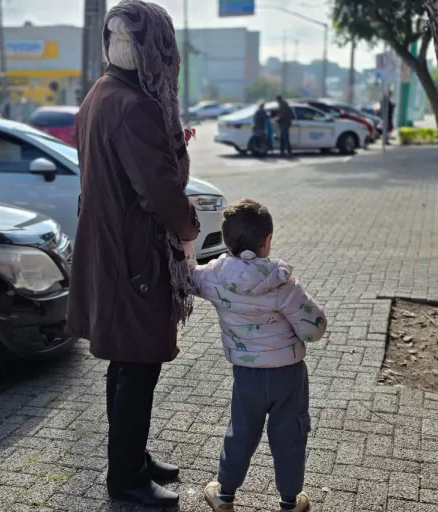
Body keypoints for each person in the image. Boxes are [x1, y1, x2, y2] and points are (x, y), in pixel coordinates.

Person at [67, 0, 200, 508]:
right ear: (157, 50)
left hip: (109, 249)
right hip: (134, 259)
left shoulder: (102, 93)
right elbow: (160, 192)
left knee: (124, 365)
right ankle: (124, 476)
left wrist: (168, 145)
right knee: (137, 368)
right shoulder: (137, 105)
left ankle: (132, 459)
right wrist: (189, 231)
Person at [185, 199, 327, 512]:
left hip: (246, 376)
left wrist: (184, 244)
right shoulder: (282, 282)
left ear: (227, 242)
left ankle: (224, 496)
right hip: (288, 375)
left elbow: (189, 275)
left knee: (241, 433)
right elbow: (314, 328)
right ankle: (290, 501)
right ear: (267, 241)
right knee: (290, 434)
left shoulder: (215, 278)